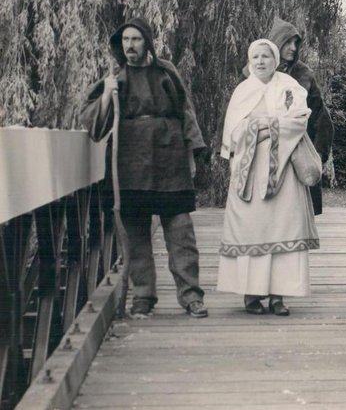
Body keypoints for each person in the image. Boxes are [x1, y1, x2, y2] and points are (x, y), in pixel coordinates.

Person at [80, 17, 208, 318]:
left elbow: (185, 111)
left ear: (147, 42)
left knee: (181, 233)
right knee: (135, 234)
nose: (130, 46)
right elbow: (93, 126)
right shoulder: (116, 78)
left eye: (136, 39)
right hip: (130, 161)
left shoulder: (166, 71)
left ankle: (191, 296)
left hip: (170, 159)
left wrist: (191, 154)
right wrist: (106, 96)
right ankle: (143, 297)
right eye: (125, 40)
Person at [217, 39, 320, 316]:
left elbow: (299, 121)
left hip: (283, 169)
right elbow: (234, 134)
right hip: (249, 172)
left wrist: (263, 126)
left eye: (266, 56)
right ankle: (251, 294)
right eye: (255, 56)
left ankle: (278, 296)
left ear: (275, 60)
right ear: (249, 61)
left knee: (282, 228)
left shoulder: (289, 87)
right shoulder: (242, 91)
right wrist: (263, 127)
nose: (261, 61)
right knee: (252, 229)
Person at [267, 17, 333, 216]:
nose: (293, 48)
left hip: (296, 150)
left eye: (296, 43)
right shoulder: (257, 70)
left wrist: (318, 153)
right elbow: (240, 106)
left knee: (296, 214)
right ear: (276, 42)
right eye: (288, 42)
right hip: (265, 148)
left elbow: (321, 117)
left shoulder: (304, 74)